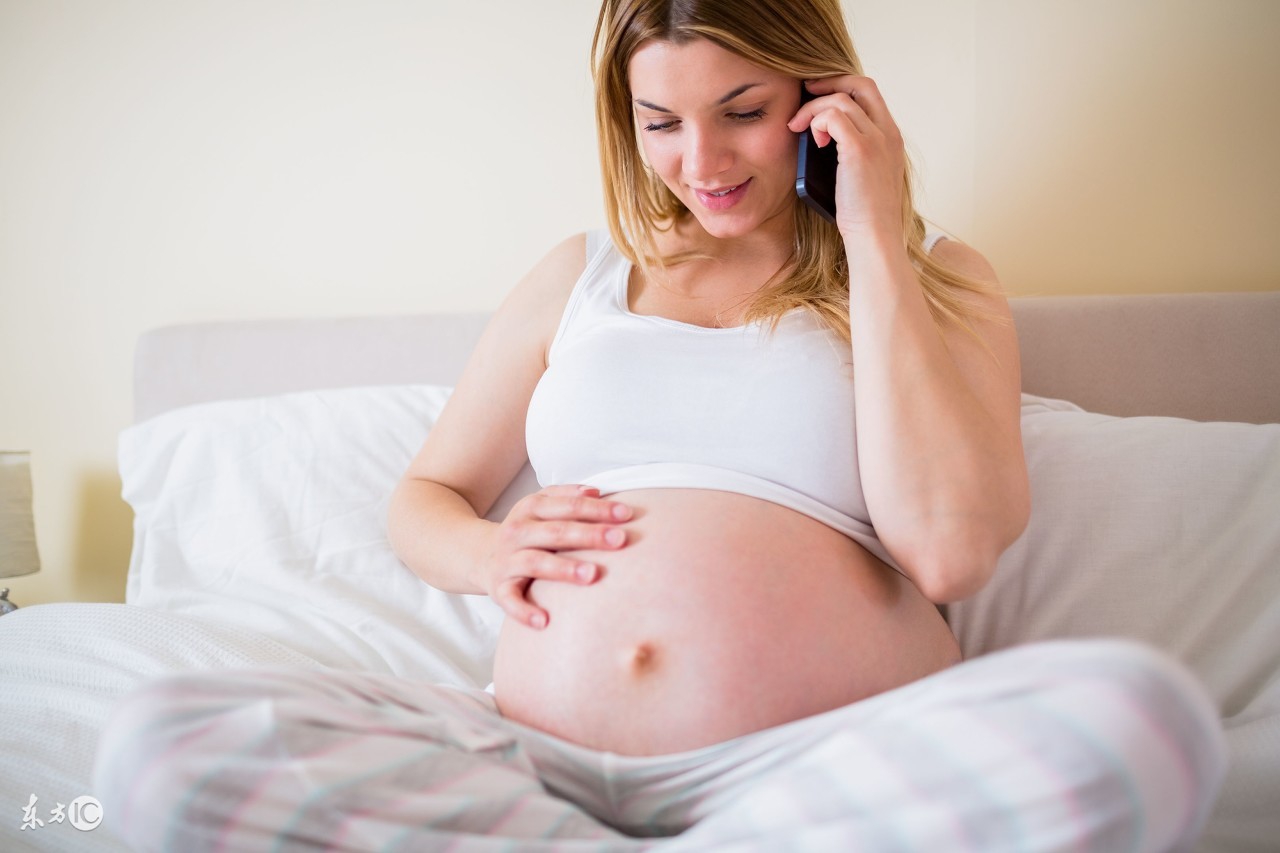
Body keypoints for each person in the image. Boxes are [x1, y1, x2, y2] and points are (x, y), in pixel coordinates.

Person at [93, 1, 1225, 849]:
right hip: (530, 762)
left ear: (822, 98)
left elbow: (951, 551)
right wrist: (488, 552)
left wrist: (872, 234)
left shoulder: (937, 277)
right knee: (163, 741)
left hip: (821, 761)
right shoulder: (580, 277)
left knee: (1140, 722)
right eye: (661, 123)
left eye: (743, 112)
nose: (701, 163)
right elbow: (423, 497)